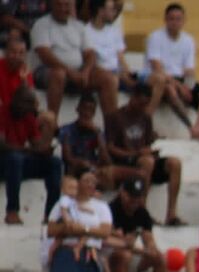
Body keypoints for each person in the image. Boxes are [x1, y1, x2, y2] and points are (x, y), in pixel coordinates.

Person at [105, 82, 183, 226]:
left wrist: (149, 151)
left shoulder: (145, 117)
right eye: (141, 103)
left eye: (146, 104)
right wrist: (135, 153)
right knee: (147, 161)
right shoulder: (115, 117)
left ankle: (171, 214)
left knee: (174, 163)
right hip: (126, 159)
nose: (143, 107)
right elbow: (110, 148)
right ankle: (143, 211)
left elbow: (147, 144)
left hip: (144, 158)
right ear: (133, 98)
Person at [141, 2, 199, 139]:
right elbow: (157, 67)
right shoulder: (155, 37)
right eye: (171, 18)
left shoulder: (188, 40)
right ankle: (190, 127)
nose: (175, 22)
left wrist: (188, 85)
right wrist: (180, 86)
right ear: (165, 20)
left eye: (178, 19)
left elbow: (189, 69)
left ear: (183, 21)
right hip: (160, 78)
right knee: (170, 89)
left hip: (179, 79)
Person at [30, 0, 116, 117]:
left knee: (108, 78)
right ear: (52, 5)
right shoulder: (41, 24)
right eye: (59, 4)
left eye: (66, 5)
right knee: (58, 74)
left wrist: (86, 71)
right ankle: (52, 123)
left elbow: (90, 53)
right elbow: (45, 55)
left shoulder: (78, 26)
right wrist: (70, 72)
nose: (63, 8)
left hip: (78, 72)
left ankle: (112, 129)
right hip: (47, 71)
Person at [104, 177, 172, 272]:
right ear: (123, 193)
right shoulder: (110, 210)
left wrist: (151, 249)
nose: (134, 202)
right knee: (124, 255)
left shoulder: (142, 213)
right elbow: (112, 242)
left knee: (159, 257)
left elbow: (148, 239)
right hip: (110, 256)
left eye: (137, 198)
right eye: (131, 197)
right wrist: (138, 248)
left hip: (132, 253)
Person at [0, 79, 61, 225]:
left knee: (54, 162)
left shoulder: (28, 116)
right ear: (16, 101)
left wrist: (45, 149)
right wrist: (28, 150)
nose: (29, 110)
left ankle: (51, 215)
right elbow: (1, 145)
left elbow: (36, 143)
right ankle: (12, 211)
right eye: (26, 105)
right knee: (15, 158)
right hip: (4, 162)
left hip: (18, 163)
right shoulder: (3, 112)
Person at [85, 0, 162, 106]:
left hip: (120, 73)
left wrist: (127, 72)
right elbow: (91, 62)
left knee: (158, 78)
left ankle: (146, 116)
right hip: (104, 75)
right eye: (111, 9)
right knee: (115, 80)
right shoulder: (85, 32)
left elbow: (120, 56)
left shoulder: (114, 30)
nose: (115, 12)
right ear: (101, 11)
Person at [58, 92, 141, 189]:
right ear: (78, 109)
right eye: (85, 108)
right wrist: (81, 163)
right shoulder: (67, 130)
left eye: (91, 110)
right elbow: (67, 158)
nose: (87, 113)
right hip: (76, 170)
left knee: (137, 174)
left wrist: (97, 135)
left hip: (95, 169)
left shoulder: (98, 132)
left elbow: (107, 161)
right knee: (104, 175)